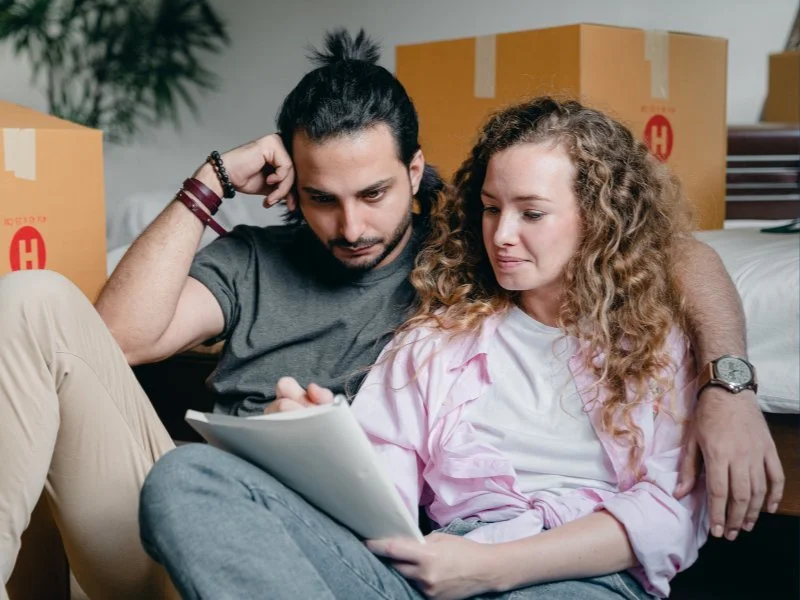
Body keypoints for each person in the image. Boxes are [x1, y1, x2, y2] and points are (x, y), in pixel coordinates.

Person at [0, 28, 781, 599]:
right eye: (322, 199)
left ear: (416, 173)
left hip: (409, 559)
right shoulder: (268, 266)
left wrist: (730, 383)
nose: (353, 228)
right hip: (252, 536)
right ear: (290, 187)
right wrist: (210, 180)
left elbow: (675, 253)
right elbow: (118, 343)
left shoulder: (465, 246)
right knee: (41, 310)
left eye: (374, 194)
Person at [139, 96, 716, 599]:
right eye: (491, 209)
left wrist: (489, 568)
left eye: (532, 213)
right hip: (427, 573)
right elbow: (382, 497)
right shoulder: (438, 335)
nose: (503, 235)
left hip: (574, 578)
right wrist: (319, 449)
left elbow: (671, 517)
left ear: (600, 219)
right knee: (186, 476)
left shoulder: (657, 341)